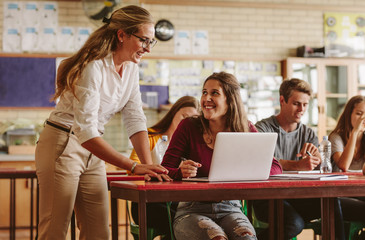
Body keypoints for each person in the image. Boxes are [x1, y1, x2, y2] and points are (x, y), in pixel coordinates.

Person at [35, 5, 170, 240]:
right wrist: (133, 166)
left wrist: (147, 169)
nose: (148, 48)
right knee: (55, 229)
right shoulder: (93, 66)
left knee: (98, 232)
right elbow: (84, 130)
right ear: (122, 35)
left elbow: (135, 117)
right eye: (144, 40)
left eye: (152, 42)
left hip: (92, 147)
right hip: (63, 142)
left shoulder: (130, 69)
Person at [161, 72, 282, 240]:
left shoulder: (244, 129)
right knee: (216, 237)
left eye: (214, 93)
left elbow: (276, 167)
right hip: (191, 209)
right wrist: (180, 173)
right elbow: (164, 169)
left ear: (230, 100)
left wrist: (250, 170)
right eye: (204, 92)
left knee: (246, 237)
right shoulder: (188, 126)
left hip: (231, 208)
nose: (206, 98)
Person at [252, 78, 345, 239]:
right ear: (282, 100)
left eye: (305, 104)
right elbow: (261, 162)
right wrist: (298, 165)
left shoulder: (308, 134)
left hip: (298, 196)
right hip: (267, 198)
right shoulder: (262, 128)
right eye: (296, 103)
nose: (301, 109)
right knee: (294, 223)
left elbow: (319, 168)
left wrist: (316, 159)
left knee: (331, 203)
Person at [129, 95, 200, 239]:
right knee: (188, 223)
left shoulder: (193, 146)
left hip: (180, 203)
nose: (185, 123)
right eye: (183, 117)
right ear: (173, 114)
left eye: (191, 120)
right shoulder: (149, 138)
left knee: (193, 218)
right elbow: (133, 171)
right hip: (150, 202)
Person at [330, 95, 365, 223]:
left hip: (360, 191)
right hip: (339, 193)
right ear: (348, 114)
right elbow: (343, 166)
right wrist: (355, 133)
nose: (362, 119)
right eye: (359, 114)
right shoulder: (336, 137)